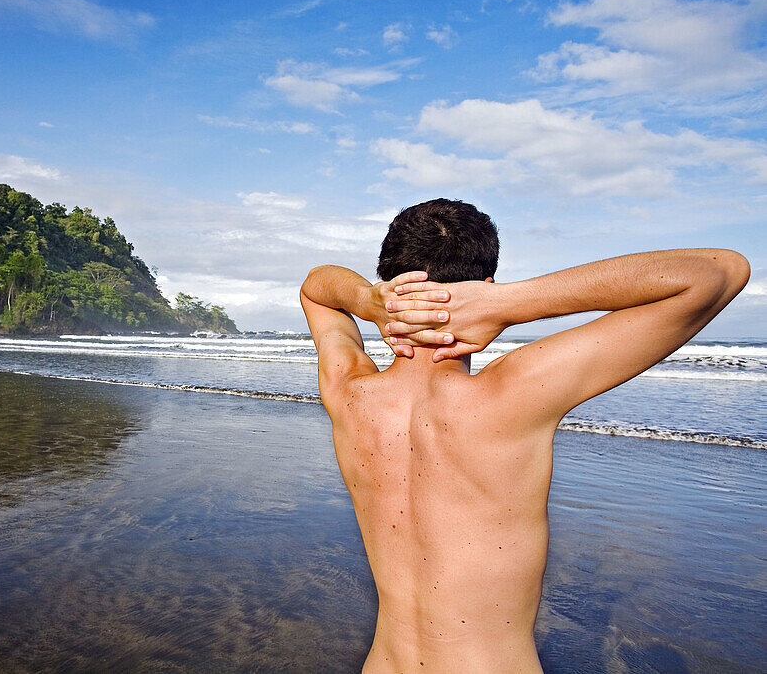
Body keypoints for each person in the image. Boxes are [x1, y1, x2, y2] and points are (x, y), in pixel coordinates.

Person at [299, 198, 748, 673]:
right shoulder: (513, 393)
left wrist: (369, 302)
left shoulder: (349, 391)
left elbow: (316, 287)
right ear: (485, 285)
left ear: (387, 278)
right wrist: (511, 304)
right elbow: (719, 271)